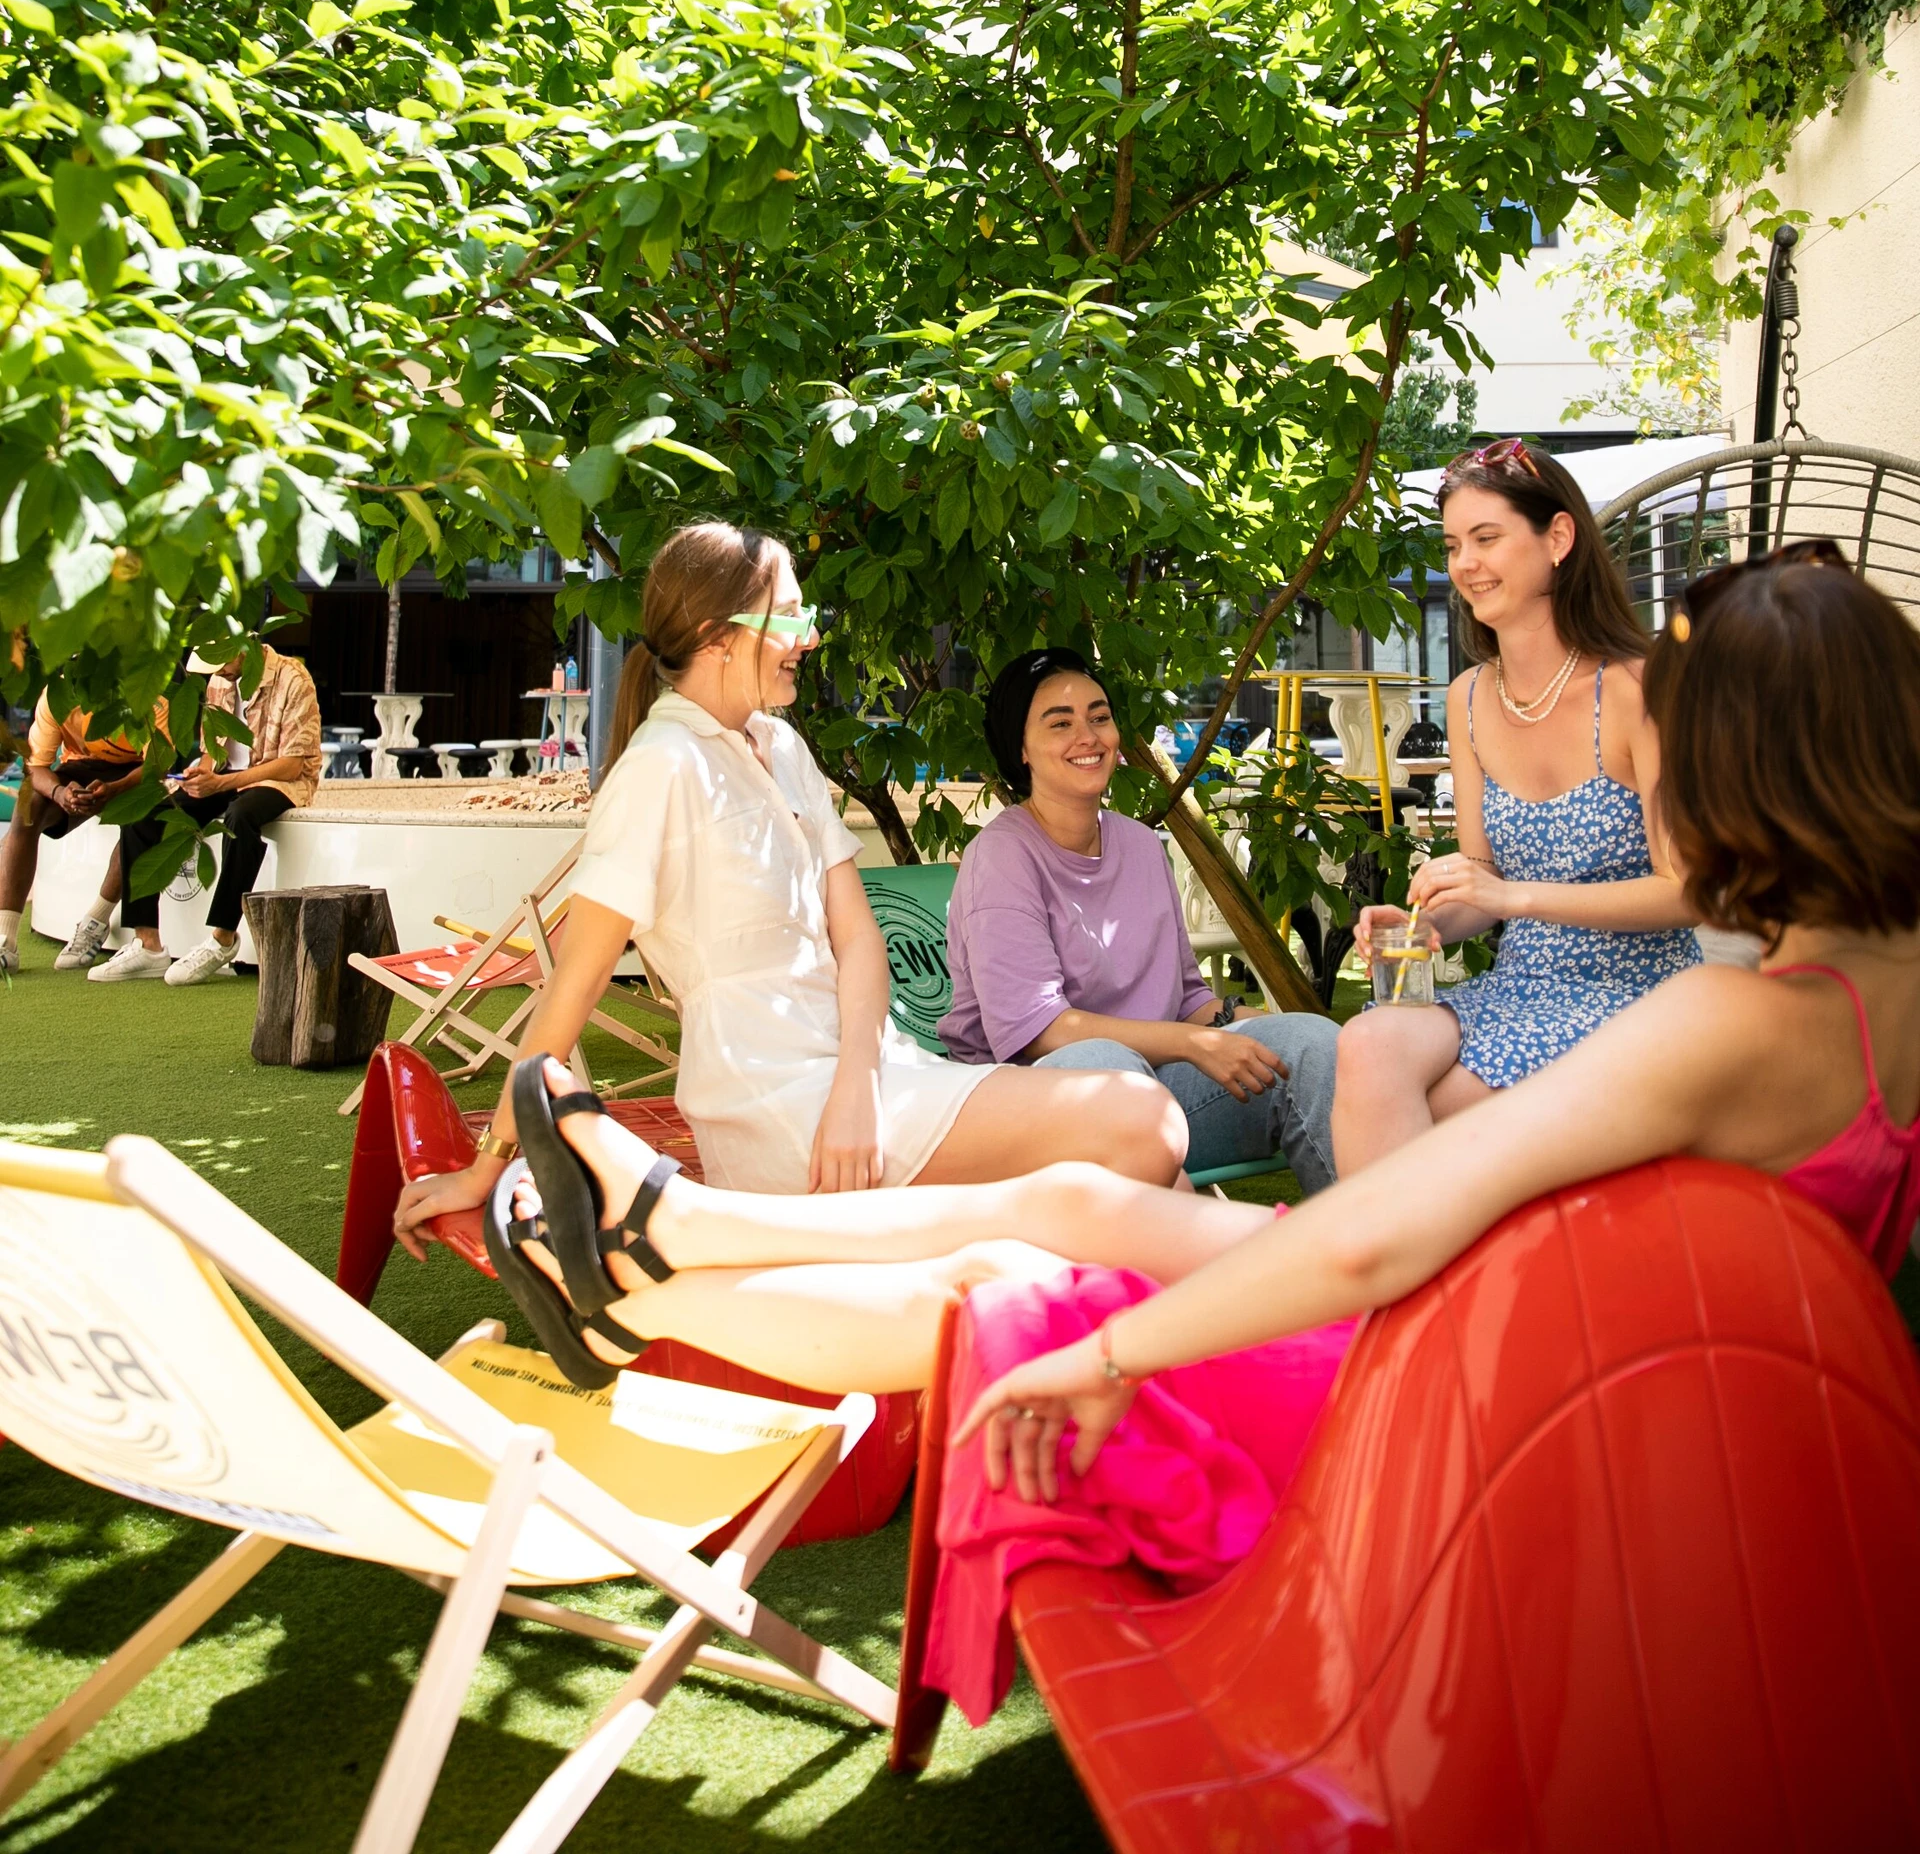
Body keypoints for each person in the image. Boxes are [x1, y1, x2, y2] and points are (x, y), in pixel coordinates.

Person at [450, 545, 1920, 1723]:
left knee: (1034, 1293)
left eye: (1670, 771)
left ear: (1749, 775)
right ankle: (666, 1236)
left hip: (1499, 1404)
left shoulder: (1743, 1023)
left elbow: (1374, 1237)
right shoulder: (1871, 982)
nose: (1658, 805)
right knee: (1083, 1200)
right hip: (1562, 1360)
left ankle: (640, 1272)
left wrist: (1113, 1357)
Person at [394, 524, 1189, 1244]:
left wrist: (857, 1085)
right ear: (717, 637)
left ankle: (1195, 1355)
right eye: (791, 620)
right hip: (775, 1104)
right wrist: (490, 1158)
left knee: (1160, 1169)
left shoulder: (780, 747)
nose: (808, 641)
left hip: (871, 1078)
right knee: (1138, 1119)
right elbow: (573, 986)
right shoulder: (661, 769)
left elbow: (858, 940)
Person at [1331, 437, 1700, 1172]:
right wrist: (1426, 919)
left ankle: (1394, 1273)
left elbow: (1688, 889)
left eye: (1487, 538)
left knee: (1432, 1112)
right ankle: (1383, 1277)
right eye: (1453, 544)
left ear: (1557, 537)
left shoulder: (1638, 686)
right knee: (1367, 1043)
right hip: (1521, 986)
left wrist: (1512, 894)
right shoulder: (1471, 697)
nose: (1464, 564)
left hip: (1641, 995)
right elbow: (1483, 883)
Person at [941, 649, 1340, 1191]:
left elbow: (1188, 999)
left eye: (1099, 717)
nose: (1088, 736)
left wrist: (1245, 1022)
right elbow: (1038, 1032)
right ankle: (1198, 1254)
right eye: (1060, 723)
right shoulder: (1003, 856)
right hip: (1031, 1103)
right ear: (1021, 749)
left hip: (1154, 1089)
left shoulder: (1141, 845)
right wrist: (1193, 1045)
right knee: (1104, 1062)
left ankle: (1373, 1257)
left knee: (1315, 1043)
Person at [84, 638, 322, 984]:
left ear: (242, 649)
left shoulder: (293, 678)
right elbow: (214, 748)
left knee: (242, 816)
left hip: (279, 780)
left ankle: (223, 938)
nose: (219, 673)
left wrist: (222, 784)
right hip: (226, 777)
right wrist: (204, 772)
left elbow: (293, 764)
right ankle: (147, 944)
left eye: (222, 664)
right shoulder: (220, 680)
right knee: (144, 814)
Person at [0, 693, 150, 976]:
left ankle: (95, 922)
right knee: (27, 806)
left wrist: (116, 789)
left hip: (138, 772)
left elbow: (159, 762)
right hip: (81, 766)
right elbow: (37, 765)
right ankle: (5, 943)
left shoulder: (143, 689)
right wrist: (59, 793)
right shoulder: (54, 695)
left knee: (140, 820)